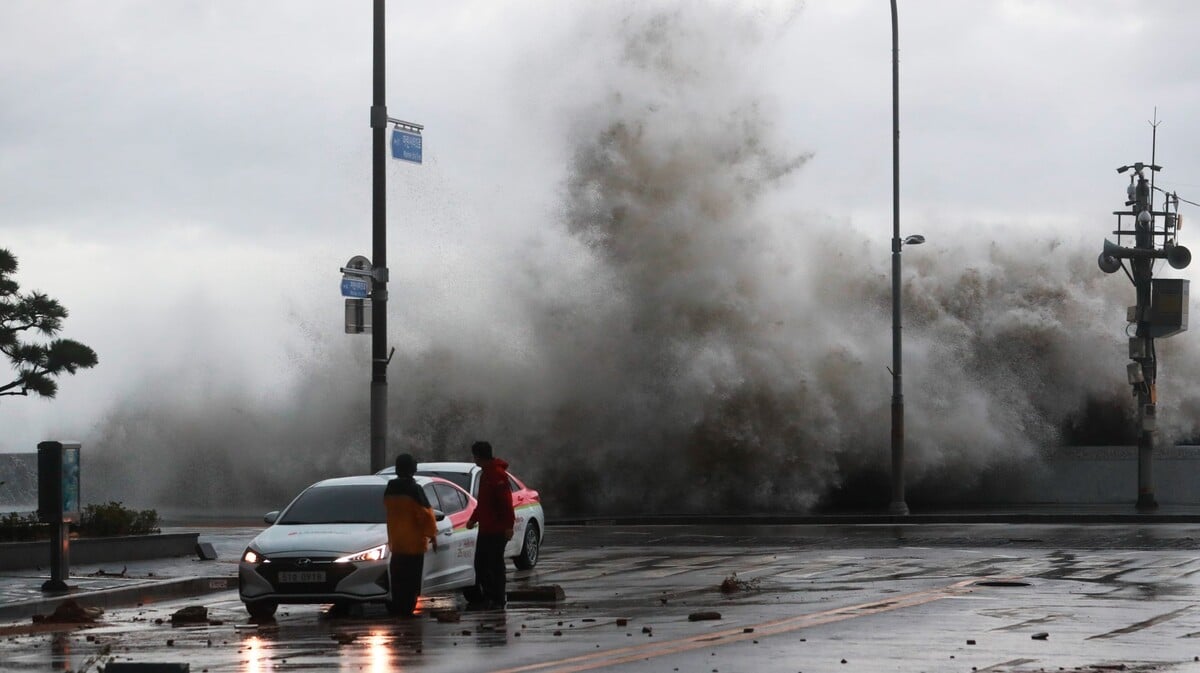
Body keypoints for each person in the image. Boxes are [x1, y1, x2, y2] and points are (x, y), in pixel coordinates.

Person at [383, 453, 438, 616]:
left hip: (397, 542)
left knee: (398, 579)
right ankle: (407, 608)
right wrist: (432, 534)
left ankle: (398, 606)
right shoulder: (415, 489)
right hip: (413, 544)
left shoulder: (390, 489)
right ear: (411, 469)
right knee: (411, 579)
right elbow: (426, 514)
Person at [465, 440, 515, 608]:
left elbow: (506, 503)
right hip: (486, 528)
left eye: (475, 456)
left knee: (494, 565)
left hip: (497, 529)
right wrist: (473, 519)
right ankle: (489, 597)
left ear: (479, 457)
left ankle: (497, 598)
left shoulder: (497, 475)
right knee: (481, 563)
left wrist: (509, 526)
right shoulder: (486, 474)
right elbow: (483, 503)